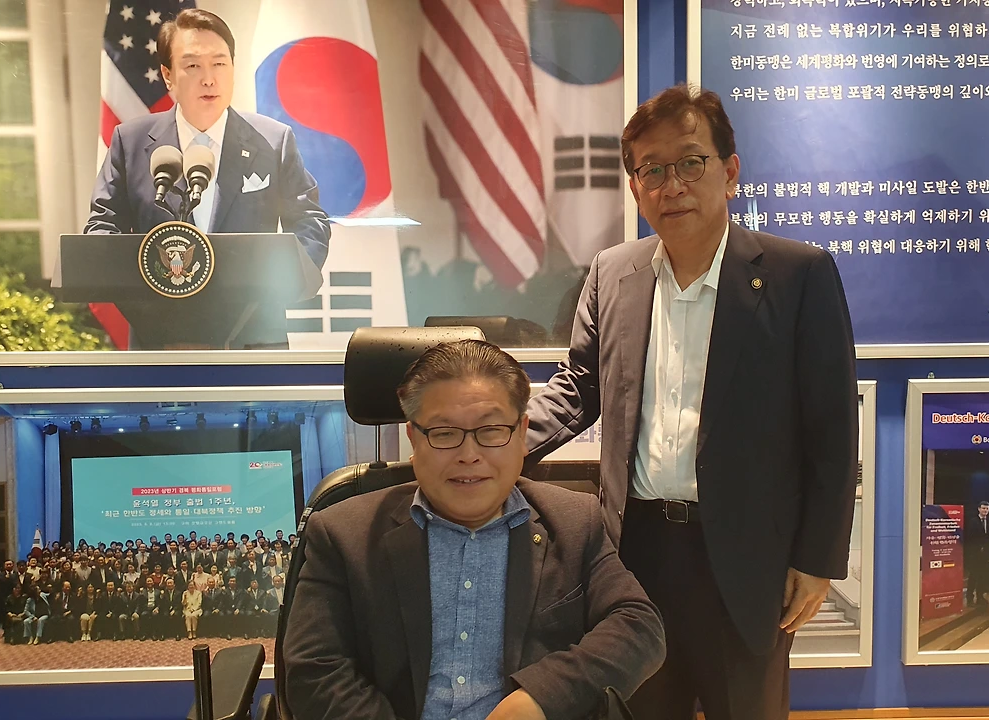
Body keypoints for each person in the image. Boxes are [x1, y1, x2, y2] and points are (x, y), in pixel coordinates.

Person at [523, 84, 858, 720]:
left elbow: (832, 429)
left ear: (729, 172)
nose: (671, 185)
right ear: (635, 187)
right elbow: (579, 387)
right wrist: (496, 440)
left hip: (747, 557)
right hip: (635, 553)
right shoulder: (612, 273)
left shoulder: (797, 275)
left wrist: (817, 560)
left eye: (690, 162)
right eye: (651, 170)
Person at [283, 340, 667, 719]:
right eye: (444, 433)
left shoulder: (573, 520)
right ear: (414, 438)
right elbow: (313, 670)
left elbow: (639, 626)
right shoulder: (341, 534)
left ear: (521, 433)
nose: (469, 455)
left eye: (492, 430)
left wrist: (540, 699)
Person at [84, 8, 330, 350]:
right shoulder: (131, 142)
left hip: (254, 342)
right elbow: (101, 228)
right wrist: (146, 305)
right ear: (168, 75)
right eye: (193, 66)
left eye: (219, 63)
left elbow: (309, 221)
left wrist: (280, 282)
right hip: (160, 346)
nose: (209, 79)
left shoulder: (273, 141)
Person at [966, 501, 989, 608]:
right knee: (973, 577)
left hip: (985, 555)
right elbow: (970, 538)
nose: (985, 510)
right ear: (979, 509)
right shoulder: (973, 521)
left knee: (982, 577)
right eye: (983, 508)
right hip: (975, 555)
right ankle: (969, 598)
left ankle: (980, 598)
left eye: (987, 509)